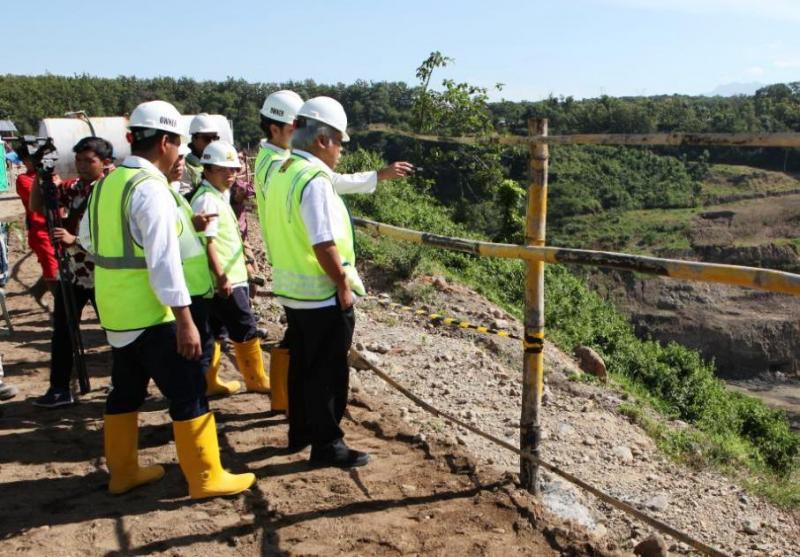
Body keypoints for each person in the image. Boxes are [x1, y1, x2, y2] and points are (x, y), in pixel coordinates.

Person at [80, 100, 254, 498]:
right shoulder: (149, 190)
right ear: (164, 141)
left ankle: (122, 472)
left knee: (126, 391)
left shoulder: (108, 184)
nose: (180, 152)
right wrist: (186, 320)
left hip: (118, 311)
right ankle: (206, 477)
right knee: (188, 390)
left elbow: (90, 240)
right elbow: (163, 261)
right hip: (154, 313)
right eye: (177, 143)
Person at [264, 96, 385, 468]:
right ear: (322, 140)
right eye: (339, 143)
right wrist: (343, 284)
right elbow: (323, 242)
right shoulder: (314, 179)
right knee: (329, 372)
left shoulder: (283, 170)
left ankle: (300, 432)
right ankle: (328, 445)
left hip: (293, 290)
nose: (340, 152)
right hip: (320, 292)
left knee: (303, 367)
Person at [29, 136, 113, 408]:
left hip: (105, 273)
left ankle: (126, 383)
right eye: (79, 160)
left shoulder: (111, 191)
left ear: (105, 162)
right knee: (63, 332)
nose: (83, 166)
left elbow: (113, 234)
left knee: (117, 332)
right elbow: (38, 206)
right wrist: (41, 176)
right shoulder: (75, 187)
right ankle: (59, 388)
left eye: (90, 161)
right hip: (74, 273)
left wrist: (73, 240)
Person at [190, 141, 268, 396]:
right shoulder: (207, 201)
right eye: (224, 169)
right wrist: (222, 276)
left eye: (233, 169)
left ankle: (210, 382)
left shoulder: (215, 197)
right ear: (208, 169)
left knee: (214, 331)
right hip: (226, 281)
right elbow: (208, 243)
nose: (231, 174)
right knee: (244, 327)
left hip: (225, 278)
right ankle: (256, 379)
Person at [15, 145, 57, 301]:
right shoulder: (24, 180)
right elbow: (43, 199)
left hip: (56, 228)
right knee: (52, 269)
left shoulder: (50, 175)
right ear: (25, 161)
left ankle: (38, 292)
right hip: (41, 231)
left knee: (57, 266)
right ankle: (62, 310)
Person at [180, 113, 220, 195]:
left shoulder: (218, 162)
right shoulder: (185, 165)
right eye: (207, 138)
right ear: (194, 138)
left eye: (215, 138)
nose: (212, 143)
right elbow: (184, 197)